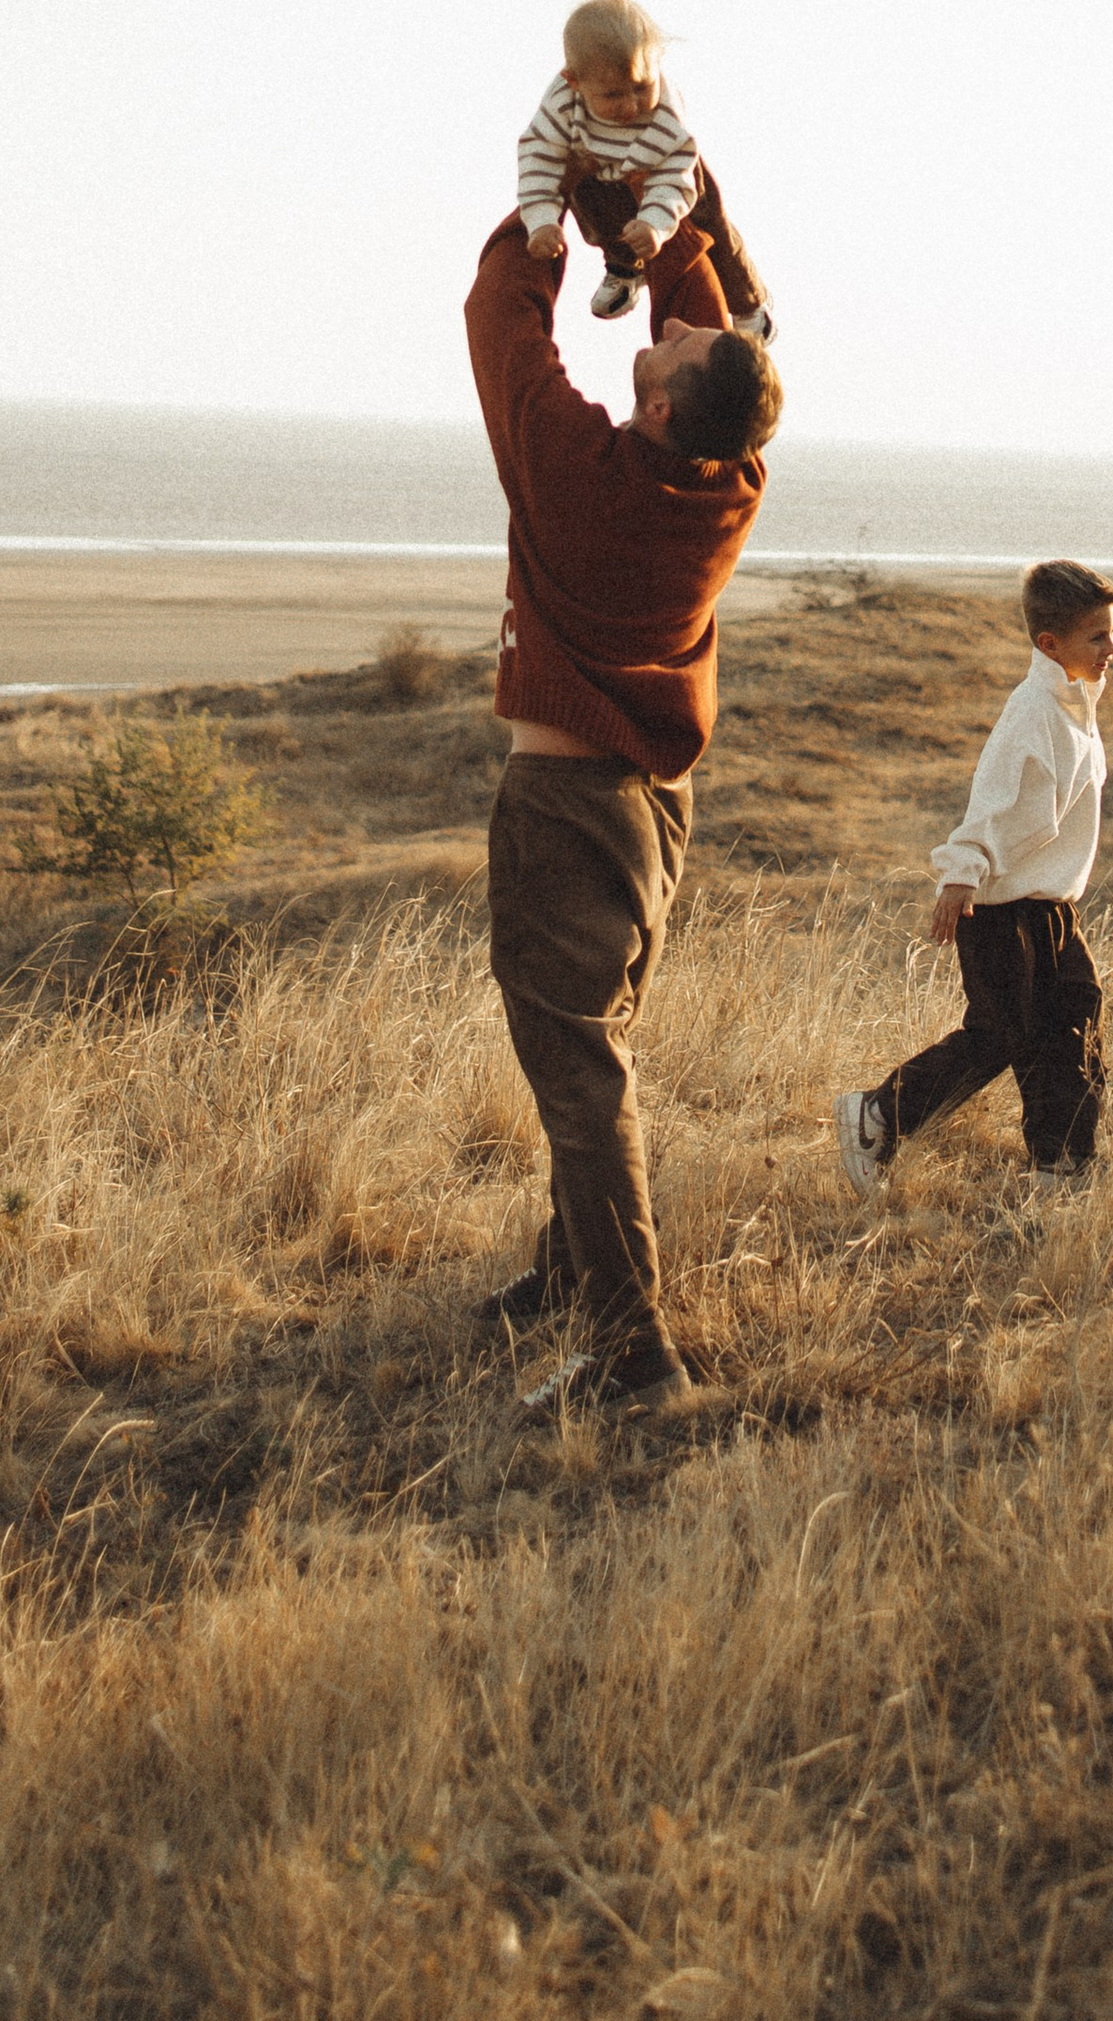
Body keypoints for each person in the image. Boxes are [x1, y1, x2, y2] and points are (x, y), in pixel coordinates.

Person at [465, 193, 783, 1411]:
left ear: (657, 409)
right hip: (654, 809)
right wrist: (663, 206)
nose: (675, 328)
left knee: (578, 1069)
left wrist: (542, 214)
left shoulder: (575, 479)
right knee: (594, 1046)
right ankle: (567, 1272)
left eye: (678, 345)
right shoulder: (728, 481)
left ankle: (633, 1353)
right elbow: (709, 335)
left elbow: (503, 329)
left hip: (564, 806)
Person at [834, 562, 1113, 1197]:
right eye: (1097, 636)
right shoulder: (1032, 709)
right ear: (1050, 643)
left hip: (1051, 908)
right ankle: (877, 1116)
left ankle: (1062, 1167)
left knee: (1073, 1025)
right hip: (999, 908)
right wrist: (962, 870)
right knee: (1000, 1034)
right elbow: (992, 795)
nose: (1112, 648)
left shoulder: (1076, 705)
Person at [517, 0, 774, 339]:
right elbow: (539, 159)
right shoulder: (562, 105)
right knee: (590, 200)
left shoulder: (665, 116)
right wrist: (541, 221)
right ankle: (625, 269)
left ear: (658, 62)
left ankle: (749, 306)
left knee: (712, 234)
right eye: (612, 95)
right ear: (574, 82)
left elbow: (674, 178)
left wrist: (655, 224)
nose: (630, 106)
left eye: (641, 87)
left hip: (668, 172)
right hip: (599, 168)